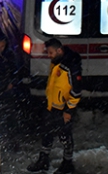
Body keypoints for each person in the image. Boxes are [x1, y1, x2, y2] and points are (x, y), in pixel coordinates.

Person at [27, 38, 82, 174]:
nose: (49, 55)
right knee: (47, 133)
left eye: (51, 52)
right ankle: (43, 160)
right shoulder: (56, 62)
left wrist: (69, 110)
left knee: (65, 136)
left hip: (63, 109)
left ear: (59, 50)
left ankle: (68, 163)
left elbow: (77, 90)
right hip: (51, 106)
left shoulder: (70, 66)